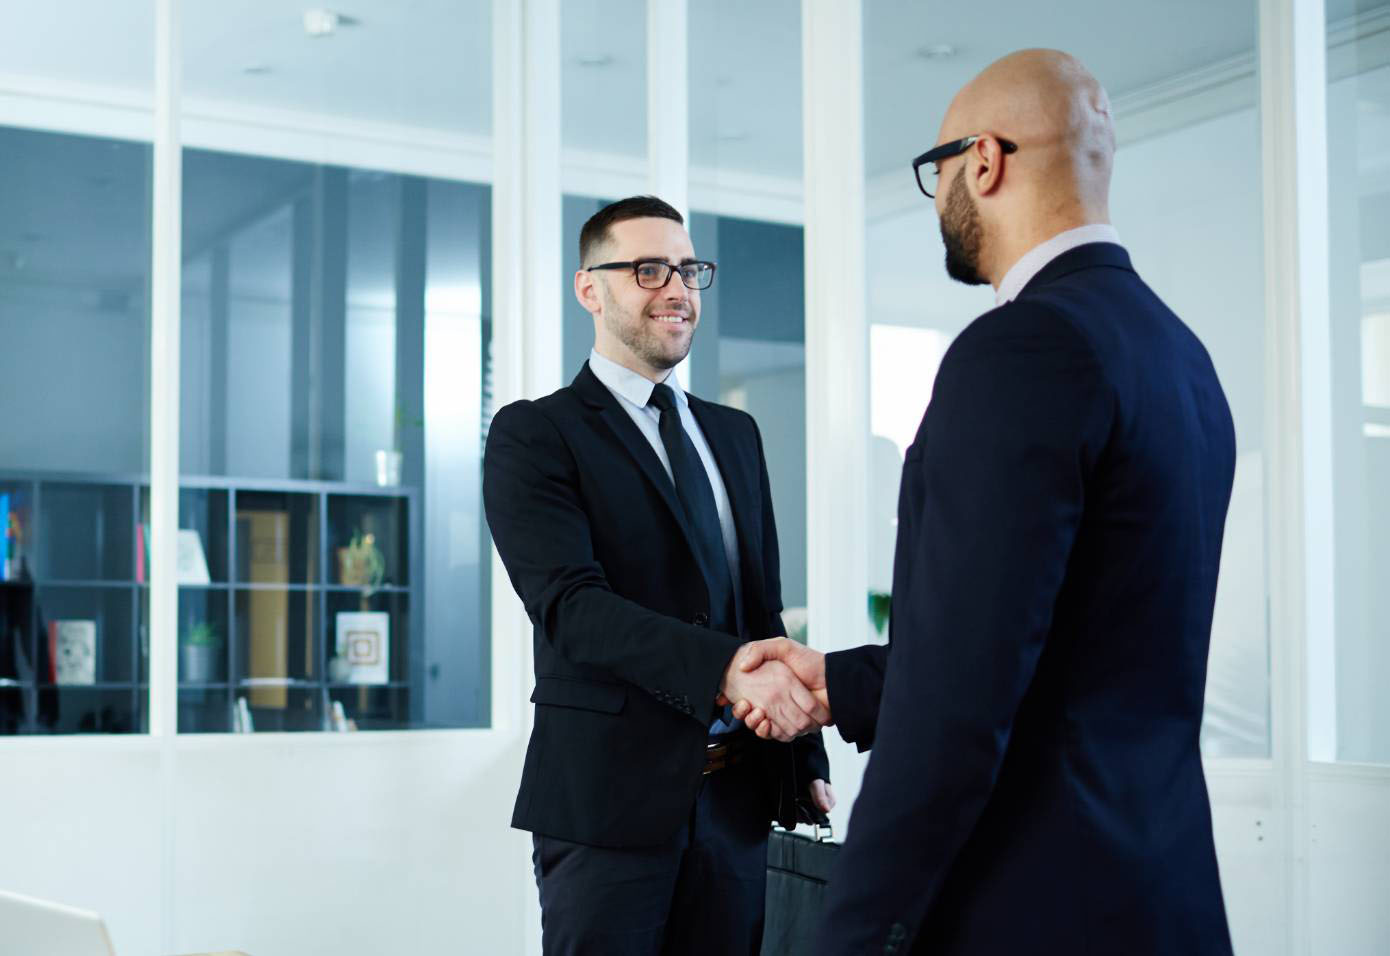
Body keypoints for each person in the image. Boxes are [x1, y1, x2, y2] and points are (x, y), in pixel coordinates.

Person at [732, 49, 1237, 954]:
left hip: (1031, 908)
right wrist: (839, 682)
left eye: (939, 172)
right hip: (1161, 900)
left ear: (985, 160)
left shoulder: (1021, 350)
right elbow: (1061, 650)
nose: (944, 201)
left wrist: (848, 935)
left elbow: (959, 709)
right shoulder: (1182, 359)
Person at [482, 195, 833, 955]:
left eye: (687, 270)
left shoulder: (734, 434)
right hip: (607, 806)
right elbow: (572, 607)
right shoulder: (536, 434)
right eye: (647, 270)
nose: (676, 289)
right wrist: (728, 673)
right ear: (590, 290)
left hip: (736, 799)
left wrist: (801, 754)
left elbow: (759, 607)